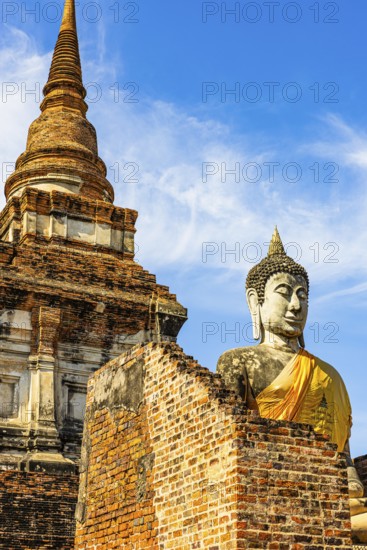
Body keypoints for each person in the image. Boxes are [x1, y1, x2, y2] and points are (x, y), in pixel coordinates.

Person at [217, 227, 365, 505]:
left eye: (303, 295)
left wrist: (350, 477)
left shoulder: (329, 375)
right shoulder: (238, 362)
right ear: (255, 302)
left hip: (331, 493)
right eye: (284, 293)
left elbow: (344, 461)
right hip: (267, 483)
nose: (296, 305)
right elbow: (233, 442)